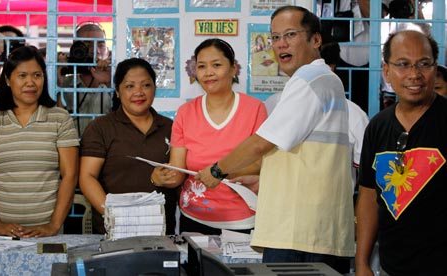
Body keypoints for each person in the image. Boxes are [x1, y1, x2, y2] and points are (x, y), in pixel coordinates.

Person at [197, 5, 354, 268]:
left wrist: (216, 171)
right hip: (311, 229)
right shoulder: (321, 81)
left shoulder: (310, 80)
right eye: (275, 37)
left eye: (290, 35)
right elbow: (304, 156)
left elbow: (260, 143)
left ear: (316, 39)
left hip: (301, 234)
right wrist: (263, 179)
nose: (281, 45)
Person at [150, 38, 267, 235]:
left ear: (233, 68)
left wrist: (219, 172)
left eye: (217, 65)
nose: (208, 73)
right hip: (193, 218)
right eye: (202, 66)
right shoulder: (186, 112)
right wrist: (160, 178)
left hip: (242, 220)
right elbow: (178, 169)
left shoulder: (255, 109)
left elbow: (259, 163)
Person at [355, 30, 447, 276]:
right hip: (391, 266)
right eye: (403, 65)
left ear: (435, 68)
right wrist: (362, 262)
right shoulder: (377, 126)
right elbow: (368, 195)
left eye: (424, 64)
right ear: (386, 71)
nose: (414, 75)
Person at [0, 46, 79, 237]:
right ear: (7, 80)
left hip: (46, 233)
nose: (30, 82)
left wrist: (53, 226)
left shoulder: (59, 119)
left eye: (37, 75)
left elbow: (70, 175)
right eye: (22, 75)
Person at [79, 58, 178, 235]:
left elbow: (180, 173)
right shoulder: (100, 127)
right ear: (117, 91)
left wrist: (163, 178)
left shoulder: (171, 127)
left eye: (146, 85)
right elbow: (87, 177)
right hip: (112, 230)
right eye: (130, 86)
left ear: (155, 88)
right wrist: (114, 215)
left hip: (160, 232)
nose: (138, 92)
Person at [320, 41, 369, 192]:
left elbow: (367, 175)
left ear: (330, 68)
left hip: (335, 209)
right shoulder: (275, 105)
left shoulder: (354, 115)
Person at [58, 21, 112, 137]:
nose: (96, 50)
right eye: (88, 44)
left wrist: (110, 83)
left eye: (101, 44)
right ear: (75, 48)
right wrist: (57, 81)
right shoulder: (65, 84)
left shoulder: (115, 84)